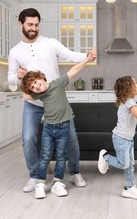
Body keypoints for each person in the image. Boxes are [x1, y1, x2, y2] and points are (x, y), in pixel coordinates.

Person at [8, 8, 96, 192]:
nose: (33, 28)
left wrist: (87, 57)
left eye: (36, 25)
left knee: (71, 138)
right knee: (29, 138)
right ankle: (34, 176)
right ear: (21, 24)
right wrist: (17, 75)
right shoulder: (15, 52)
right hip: (33, 104)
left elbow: (70, 55)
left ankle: (74, 172)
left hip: (56, 102)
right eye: (30, 24)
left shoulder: (50, 43)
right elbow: (11, 81)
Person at [20, 55, 95, 199]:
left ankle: (57, 183)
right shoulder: (38, 95)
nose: (36, 86)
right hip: (48, 128)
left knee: (62, 157)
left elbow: (74, 70)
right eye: (33, 87)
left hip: (64, 127)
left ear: (41, 77)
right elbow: (25, 96)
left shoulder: (58, 83)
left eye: (35, 82)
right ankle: (40, 184)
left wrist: (87, 60)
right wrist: (22, 80)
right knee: (45, 156)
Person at [97, 76, 137, 200]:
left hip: (127, 138)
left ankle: (129, 187)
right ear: (129, 88)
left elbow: (136, 114)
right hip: (121, 138)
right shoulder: (129, 102)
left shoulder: (130, 102)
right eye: (136, 83)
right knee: (124, 164)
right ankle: (105, 157)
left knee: (130, 165)